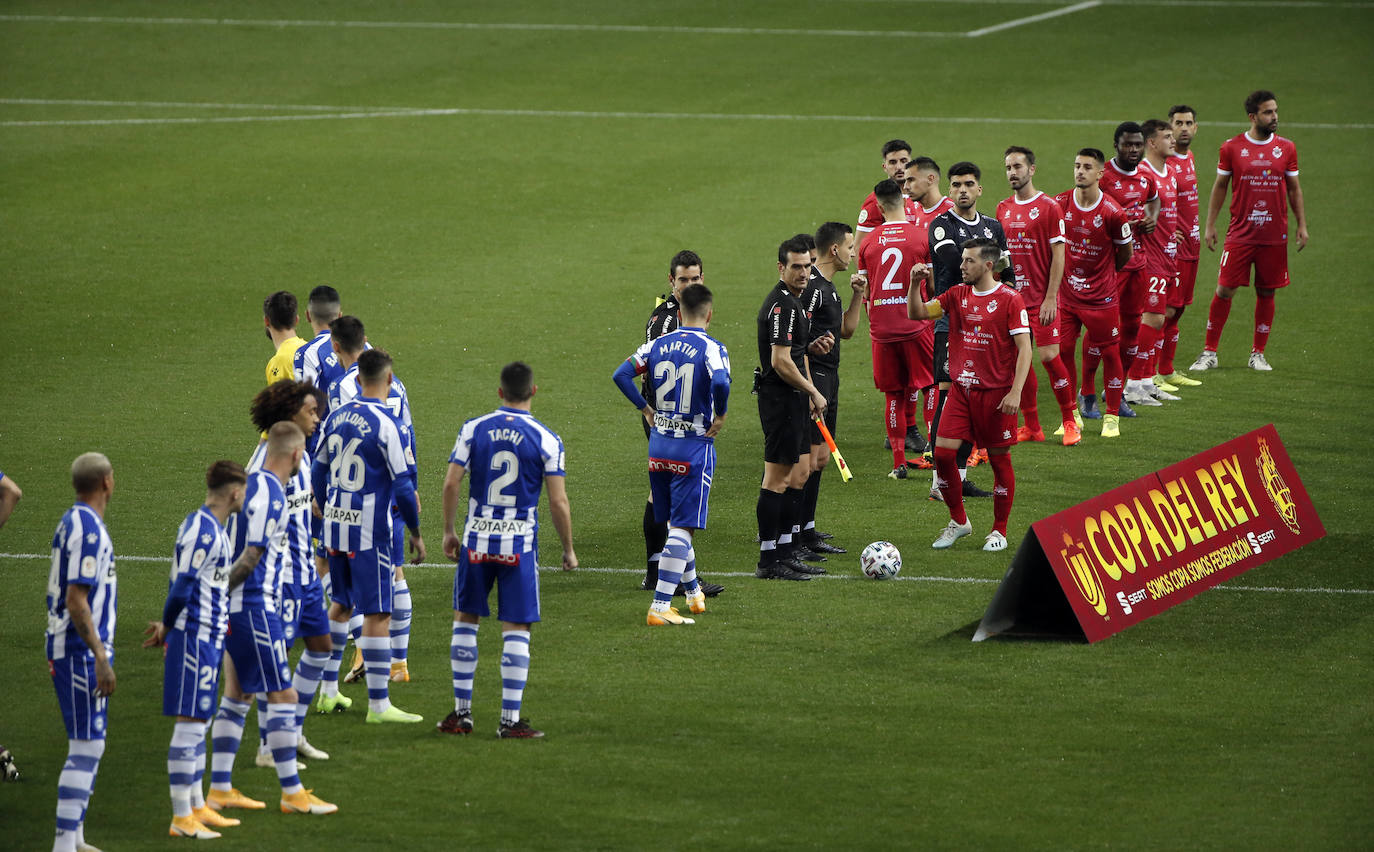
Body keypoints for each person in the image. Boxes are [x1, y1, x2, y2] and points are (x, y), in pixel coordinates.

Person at [439, 362, 577, 737]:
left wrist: (450, 531)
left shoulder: (474, 429)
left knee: (465, 620)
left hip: (476, 543)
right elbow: (558, 502)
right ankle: (509, 721)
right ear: (534, 391)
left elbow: (452, 484)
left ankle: (460, 715)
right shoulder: (547, 438)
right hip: (519, 546)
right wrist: (567, 548)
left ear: (500, 393)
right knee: (516, 629)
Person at [209, 422, 336, 816]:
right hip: (252, 607)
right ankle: (292, 793)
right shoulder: (270, 492)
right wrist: (214, 595)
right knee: (281, 695)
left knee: (237, 694)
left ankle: (219, 789)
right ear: (296, 455)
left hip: (240, 606)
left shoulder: (256, 485)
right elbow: (251, 556)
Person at [312, 349, 425, 725]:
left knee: (341, 604)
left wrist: (324, 502)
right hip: (368, 530)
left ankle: (327, 692)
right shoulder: (387, 423)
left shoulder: (336, 415)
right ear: (389, 380)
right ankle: (379, 706)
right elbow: (405, 488)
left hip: (334, 524)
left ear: (357, 379)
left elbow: (318, 468)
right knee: (377, 611)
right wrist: (415, 533)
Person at [613, 284, 730, 625]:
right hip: (693, 445)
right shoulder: (712, 348)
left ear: (678, 314)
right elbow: (721, 383)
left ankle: (693, 593)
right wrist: (720, 414)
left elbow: (620, 374)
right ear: (709, 314)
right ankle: (661, 606)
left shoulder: (656, 345)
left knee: (672, 520)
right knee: (683, 527)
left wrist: (646, 409)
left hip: (660, 442)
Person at [143, 460, 247, 839]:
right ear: (234, 493)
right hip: (192, 637)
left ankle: (197, 805)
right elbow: (183, 585)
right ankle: (180, 816)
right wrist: (168, 626)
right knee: (189, 725)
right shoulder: (203, 532)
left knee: (199, 722)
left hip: (208, 635)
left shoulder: (210, 527)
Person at [910, 239, 1032, 552]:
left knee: (1000, 461)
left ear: (988, 265)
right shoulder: (956, 295)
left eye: (969, 261)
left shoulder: (1010, 300)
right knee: (943, 456)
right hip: (962, 391)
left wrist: (1016, 391)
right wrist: (914, 285)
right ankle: (959, 521)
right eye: (962, 260)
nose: (961, 266)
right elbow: (919, 313)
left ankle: (999, 531)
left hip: (996, 395)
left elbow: (1024, 349)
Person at [242, 381, 333, 768]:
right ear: (291, 411)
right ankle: (268, 747)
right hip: (278, 581)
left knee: (321, 649)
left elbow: (300, 503)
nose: (317, 418)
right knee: (276, 663)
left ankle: (291, 732)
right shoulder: (262, 466)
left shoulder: (302, 457)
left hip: (307, 575)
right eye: (311, 411)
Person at [327, 317, 418, 685]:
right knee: (395, 572)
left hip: (359, 498)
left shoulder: (342, 388)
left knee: (346, 589)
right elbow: (408, 437)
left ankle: (359, 657)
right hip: (396, 489)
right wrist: (411, 488)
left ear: (336, 348)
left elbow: (340, 435)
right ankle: (398, 665)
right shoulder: (398, 384)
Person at [1192, 89, 1308, 372]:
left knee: (1267, 292)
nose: (1275, 116)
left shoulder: (1287, 148)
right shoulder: (1231, 148)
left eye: (1276, 111)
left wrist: (1301, 225)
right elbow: (1220, 187)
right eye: (1268, 112)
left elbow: (1293, 189)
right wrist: (1209, 225)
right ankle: (1209, 352)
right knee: (1224, 289)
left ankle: (1258, 353)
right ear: (1252, 116)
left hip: (1274, 235)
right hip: (1240, 234)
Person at [636, 252, 724, 598]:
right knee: (677, 501)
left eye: (695, 279)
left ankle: (657, 573)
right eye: (683, 280)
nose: (690, 285)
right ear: (671, 282)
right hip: (668, 419)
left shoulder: (685, 312)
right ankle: (677, 581)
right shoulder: (665, 322)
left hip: (675, 419)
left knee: (662, 497)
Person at [927, 162, 1011, 500]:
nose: (963, 189)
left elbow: (1007, 271)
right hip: (953, 322)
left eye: (969, 184)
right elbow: (950, 260)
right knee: (949, 397)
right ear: (949, 191)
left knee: (975, 396)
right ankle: (939, 481)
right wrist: (983, 258)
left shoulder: (994, 226)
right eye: (957, 184)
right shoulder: (941, 225)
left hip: (989, 322)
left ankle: (957, 478)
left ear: (979, 190)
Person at [46, 453, 117, 852]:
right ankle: (62, 844)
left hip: (72, 647)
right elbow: (76, 599)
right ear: (106, 482)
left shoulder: (74, 520)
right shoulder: (88, 529)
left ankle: (75, 838)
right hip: (78, 650)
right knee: (86, 745)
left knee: (91, 742)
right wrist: (100, 657)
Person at [754, 237, 829, 581]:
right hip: (781, 400)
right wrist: (813, 389)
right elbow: (781, 361)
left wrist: (809, 391)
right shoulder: (782, 305)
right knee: (776, 480)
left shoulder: (795, 302)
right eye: (796, 266)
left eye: (808, 265)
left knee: (793, 476)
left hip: (794, 398)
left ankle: (785, 551)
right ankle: (769, 560)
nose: (803, 272)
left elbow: (796, 354)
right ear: (781, 268)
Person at [996, 146, 1080, 446]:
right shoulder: (1002, 208)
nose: (1012, 172)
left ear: (1032, 169)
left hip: (1041, 299)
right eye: (1008, 167)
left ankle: (1070, 421)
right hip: (1013, 301)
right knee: (1022, 360)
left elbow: (1060, 255)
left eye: (1018, 166)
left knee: (1049, 356)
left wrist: (1051, 298)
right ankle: (1032, 426)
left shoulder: (1048, 207)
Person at [857, 179, 937, 478]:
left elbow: (865, 292)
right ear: (905, 203)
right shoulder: (921, 237)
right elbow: (930, 284)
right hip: (915, 325)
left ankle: (899, 464)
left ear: (878, 206)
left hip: (882, 329)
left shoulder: (867, 243)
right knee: (929, 386)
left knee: (893, 395)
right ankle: (933, 452)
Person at [1054, 149, 1135, 438]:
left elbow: (1125, 253)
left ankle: (1111, 416)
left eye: (1087, 167)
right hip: (1067, 295)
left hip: (1101, 298)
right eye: (1077, 165)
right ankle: (1071, 415)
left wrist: (1104, 275)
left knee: (1110, 353)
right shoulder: (1060, 203)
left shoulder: (1113, 212)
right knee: (1062, 351)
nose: (1080, 171)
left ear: (1100, 173)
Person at [798, 222, 865, 552]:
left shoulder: (831, 289)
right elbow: (797, 341)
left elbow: (846, 331)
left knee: (821, 459)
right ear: (834, 249)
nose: (853, 252)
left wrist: (858, 295)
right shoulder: (812, 289)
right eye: (850, 246)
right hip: (816, 378)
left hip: (830, 378)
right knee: (808, 460)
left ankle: (807, 529)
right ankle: (793, 532)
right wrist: (811, 388)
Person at [1087, 122, 1159, 420]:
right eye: (1127, 145)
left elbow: (1154, 200)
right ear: (1116, 145)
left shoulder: (1145, 176)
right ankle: (1087, 394)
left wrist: (1151, 219)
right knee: (1100, 331)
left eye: (1137, 145)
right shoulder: (1103, 178)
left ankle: (1119, 391)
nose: (1133, 150)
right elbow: (1086, 214)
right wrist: (1117, 228)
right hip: (1109, 268)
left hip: (1138, 266)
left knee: (1131, 329)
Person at [1124, 119, 1184, 407]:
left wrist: (1174, 231)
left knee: (1160, 317)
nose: (1173, 141)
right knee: (1151, 318)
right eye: (1167, 136)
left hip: (1167, 253)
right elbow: (1133, 213)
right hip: (1148, 256)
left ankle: (1146, 381)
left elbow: (1163, 212)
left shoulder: (1170, 172)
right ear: (1151, 142)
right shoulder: (1143, 174)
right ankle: (1132, 384)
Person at [901, 158, 954, 455]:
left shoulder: (950, 213)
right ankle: (918, 437)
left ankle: (944, 445)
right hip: (919, 309)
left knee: (942, 380)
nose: (906, 186)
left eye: (911, 180)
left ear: (931, 179)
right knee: (919, 377)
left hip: (944, 309)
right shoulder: (911, 214)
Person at [1159, 104, 1204, 388]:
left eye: (1189, 123)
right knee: (1165, 311)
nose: (1184, 127)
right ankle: (1147, 372)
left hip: (1192, 245)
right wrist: (1167, 233)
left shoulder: (1189, 157)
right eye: (1179, 123)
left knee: (1180, 309)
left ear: (1195, 128)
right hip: (1172, 249)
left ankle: (1166, 369)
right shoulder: (1165, 163)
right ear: (1170, 127)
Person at [856, 139, 918, 249]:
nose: (899, 167)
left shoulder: (922, 195)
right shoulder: (877, 199)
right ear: (885, 167)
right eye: (893, 162)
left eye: (903, 161)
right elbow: (859, 245)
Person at [263, 291, 306, 386]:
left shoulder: (280, 362)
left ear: (266, 321)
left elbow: (280, 401)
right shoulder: (310, 348)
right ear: (296, 320)